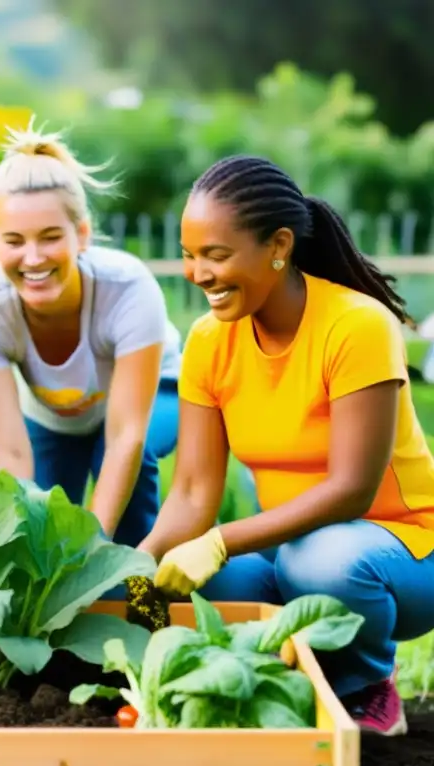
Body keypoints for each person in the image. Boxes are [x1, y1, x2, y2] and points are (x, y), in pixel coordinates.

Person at [140, 155, 434, 736]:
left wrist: (221, 541)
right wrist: (135, 569)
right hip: (292, 550)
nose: (198, 273)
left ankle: (369, 684)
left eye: (216, 255)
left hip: (405, 555)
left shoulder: (355, 326)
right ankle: (294, 678)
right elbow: (194, 491)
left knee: (319, 561)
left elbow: (353, 490)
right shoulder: (208, 342)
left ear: (278, 245)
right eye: (189, 254)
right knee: (194, 588)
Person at [0, 122, 184, 546]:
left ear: (81, 234)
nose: (33, 257)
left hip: (158, 391)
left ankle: (141, 592)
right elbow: (12, 455)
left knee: (130, 467)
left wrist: (93, 550)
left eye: (50, 237)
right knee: (41, 518)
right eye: (14, 241)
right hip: (53, 415)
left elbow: (124, 437)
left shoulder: (128, 288)